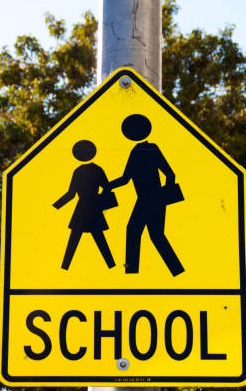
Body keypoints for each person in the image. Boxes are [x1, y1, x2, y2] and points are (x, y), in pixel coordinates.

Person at [110, 114, 184, 276]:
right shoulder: (136, 151)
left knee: (134, 230)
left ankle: (131, 272)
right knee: (156, 236)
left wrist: (164, 196)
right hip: (147, 199)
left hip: (150, 199)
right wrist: (108, 186)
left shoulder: (150, 148)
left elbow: (170, 174)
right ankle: (177, 271)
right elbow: (125, 179)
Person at [53, 140, 115, 270]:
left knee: (76, 238)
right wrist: (100, 200)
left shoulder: (78, 171)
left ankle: (65, 267)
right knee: (97, 237)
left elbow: (71, 194)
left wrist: (56, 206)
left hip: (82, 209)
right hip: (93, 208)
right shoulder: (97, 169)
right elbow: (107, 188)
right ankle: (111, 266)